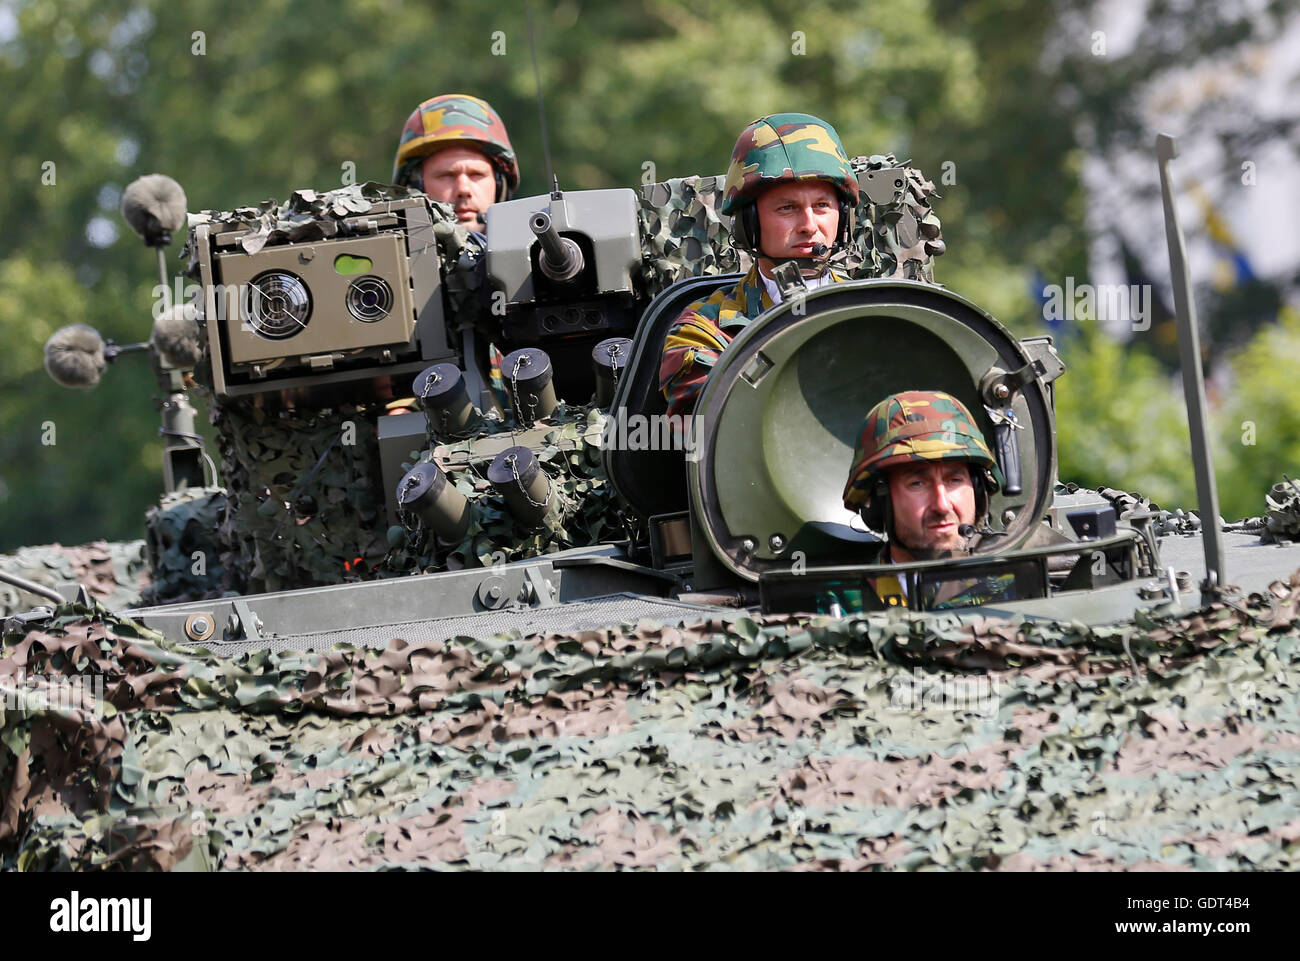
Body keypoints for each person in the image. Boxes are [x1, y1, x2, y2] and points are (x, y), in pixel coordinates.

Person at [659, 113, 860, 419]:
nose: (809, 225)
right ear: (748, 224)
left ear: (843, 216)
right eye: (787, 208)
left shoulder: (877, 307)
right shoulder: (704, 330)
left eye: (822, 206)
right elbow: (711, 431)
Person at [837, 389, 1011, 610]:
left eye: (954, 480)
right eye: (917, 484)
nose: (942, 505)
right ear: (880, 502)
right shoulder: (839, 604)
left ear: (977, 489)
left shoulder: (1019, 587)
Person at [392, 94, 520, 230]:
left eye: (476, 175)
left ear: (500, 186)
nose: (463, 189)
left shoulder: (540, 249)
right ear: (415, 187)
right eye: (447, 175)